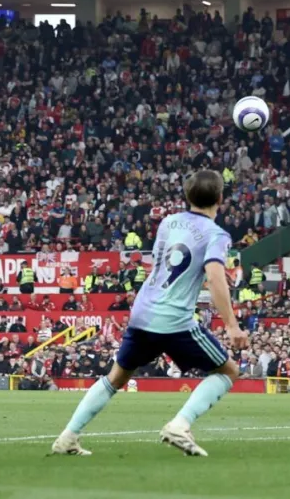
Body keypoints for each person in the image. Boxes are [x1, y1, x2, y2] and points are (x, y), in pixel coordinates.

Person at [51, 170, 248, 457]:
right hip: (174, 318)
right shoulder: (216, 234)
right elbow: (216, 276)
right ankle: (180, 424)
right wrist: (231, 325)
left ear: (187, 196)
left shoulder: (168, 222)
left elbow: (160, 264)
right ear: (220, 198)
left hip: (143, 311)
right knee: (228, 371)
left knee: (115, 378)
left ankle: (68, 437)